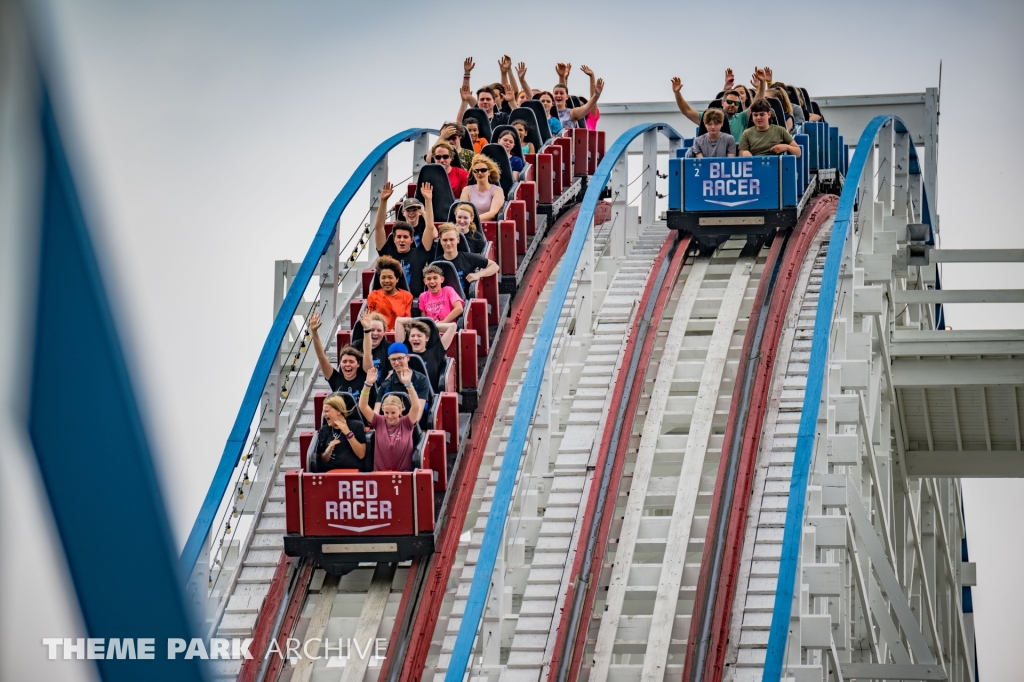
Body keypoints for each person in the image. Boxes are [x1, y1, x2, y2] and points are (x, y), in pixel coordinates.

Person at [671, 68, 767, 141]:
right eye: (729, 102)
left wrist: (763, 82)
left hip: (736, 158)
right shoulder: (709, 117)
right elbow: (687, 111)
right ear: (722, 102)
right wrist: (677, 93)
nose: (733, 105)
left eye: (736, 103)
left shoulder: (741, 118)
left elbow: (757, 101)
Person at [373, 182, 434, 297]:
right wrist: (383, 201)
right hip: (392, 300)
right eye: (399, 237)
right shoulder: (388, 254)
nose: (402, 240)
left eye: (405, 237)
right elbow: (379, 227)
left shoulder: (419, 253)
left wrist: (428, 201)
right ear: (394, 239)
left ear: (411, 240)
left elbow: (430, 227)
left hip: (414, 301)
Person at [358, 366, 421, 473]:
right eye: (386, 412)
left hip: (403, 473)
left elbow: (416, 407)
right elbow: (363, 406)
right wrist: (367, 384)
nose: (389, 416)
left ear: (401, 410)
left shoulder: (407, 423)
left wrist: (409, 385)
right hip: (381, 474)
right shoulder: (379, 421)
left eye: (393, 413)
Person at [309, 312, 377, 405]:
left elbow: (367, 354)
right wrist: (314, 332)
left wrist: (367, 329)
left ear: (358, 364)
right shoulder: (336, 379)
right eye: (344, 361)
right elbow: (321, 357)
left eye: (351, 361)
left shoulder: (365, 376)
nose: (347, 364)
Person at [435, 224, 499, 293]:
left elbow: (494, 266)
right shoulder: (436, 264)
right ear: (440, 241)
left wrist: (478, 275)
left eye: (451, 239)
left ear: (458, 239)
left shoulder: (468, 258)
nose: (448, 243)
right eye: (445, 240)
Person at [373, 342, 432, 415]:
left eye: (400, 358)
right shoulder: (386, 385)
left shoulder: (421, 380)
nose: (397, 363)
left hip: (415, 424)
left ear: (407, 357)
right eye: (393, 359)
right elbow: (376, 412)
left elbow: (419, 410)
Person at [314, 394, 368, 472]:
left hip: (354, 472)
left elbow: (361, 455)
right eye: (323, 412)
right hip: (331, 473)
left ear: (338, 411)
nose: (324, 415)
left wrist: (348, 434)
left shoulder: (356, 426)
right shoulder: (324, 430)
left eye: (326, 411)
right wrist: (328, 451)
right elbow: (323, 461)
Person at [413, 264, 462, 347]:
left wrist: (443, 323)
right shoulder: (423, 296)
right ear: (425, 281)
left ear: (441, 279)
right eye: (429, 279)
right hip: (431, 331)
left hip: (448, 329)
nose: (432, 281)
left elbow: (459, 308)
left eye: (435, 278)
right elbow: (424, 318)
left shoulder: (448, 290)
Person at [551, 63, 604, 132]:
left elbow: (590, 105)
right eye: (556, 93)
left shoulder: (572, 113)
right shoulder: (549, 112)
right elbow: (562, 92)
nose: (558, 95)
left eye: (581, 105)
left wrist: (596, 95)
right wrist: (562, 77)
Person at [395, 318, 446, 387]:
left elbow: (452, 327)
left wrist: (431, 324)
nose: (415, 338)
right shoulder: (403, 351)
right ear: (409, 338)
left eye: (419, 336)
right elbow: (399, 321)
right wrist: (418, 321)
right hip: (407, 392)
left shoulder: (435, 352)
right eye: (412, 336)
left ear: (427, 338)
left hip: (428, 395)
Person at [461, 155, 505, 221]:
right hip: (469, 226)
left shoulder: (497, 190)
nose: (479, 173)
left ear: (489, 172)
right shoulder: (466, 190)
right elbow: (463, 211)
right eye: (476, 171)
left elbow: (492, 213)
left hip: (488, 226)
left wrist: (472, 220)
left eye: (483, 170)